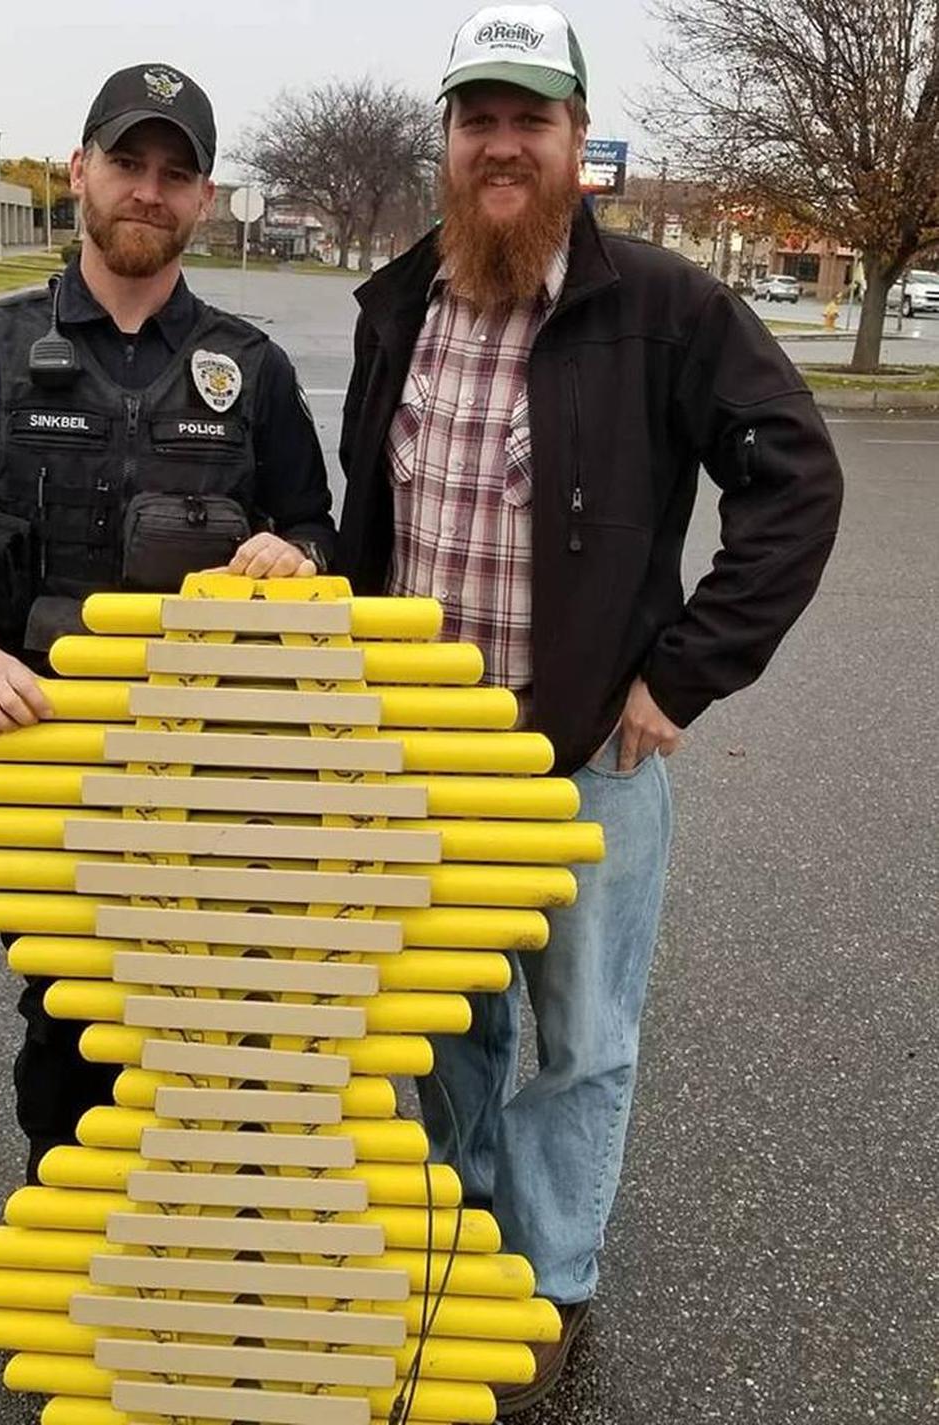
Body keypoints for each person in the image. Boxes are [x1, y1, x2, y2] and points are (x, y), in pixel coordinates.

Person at [336, 4, 842, 1408]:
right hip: (419, 765)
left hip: (584, 767)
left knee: (581, 1044)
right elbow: (369, 526)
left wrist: (681, 674)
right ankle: (454, 1251)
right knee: (444, 1034)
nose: (502, 145)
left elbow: (796, 481)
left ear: (576, 140)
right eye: (477, 120)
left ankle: (548, 1279)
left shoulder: (665, 308)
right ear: (447, 141)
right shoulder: (396, 307)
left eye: (531, 119)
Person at [0, 63, 336, 1183]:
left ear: (206, 198)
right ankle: (77, 1220)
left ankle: (199, 1217)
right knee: (72, 999)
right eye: (128, 162)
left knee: (216, 992)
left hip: (207, 756)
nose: (149, 189)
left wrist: (300, 555)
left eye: (176, 173)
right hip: (33, 738)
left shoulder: (251, 368)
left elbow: (316, 525)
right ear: (81, 170)